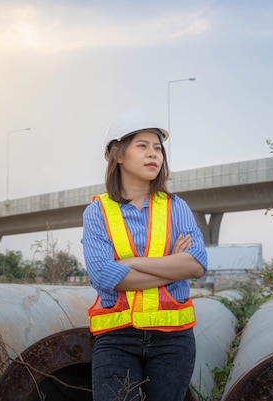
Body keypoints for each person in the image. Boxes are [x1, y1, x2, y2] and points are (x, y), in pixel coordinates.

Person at [82, 108, 208, 401]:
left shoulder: (177, 207)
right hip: (116, 339)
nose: (154, 154)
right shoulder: (97, 213)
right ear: (118, 154)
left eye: (158, 148)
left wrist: (131, 263)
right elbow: (103, 275)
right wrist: (170, 266)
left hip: (173, 338)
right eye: (142, 146)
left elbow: (197, 264)